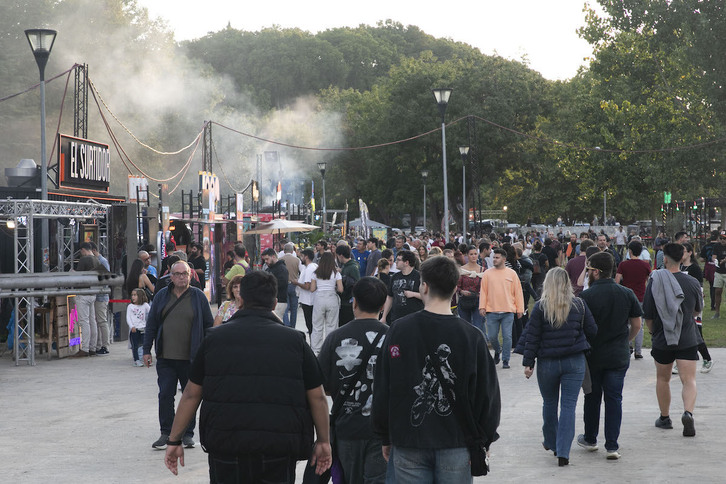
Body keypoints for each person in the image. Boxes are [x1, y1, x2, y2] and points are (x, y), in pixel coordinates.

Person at [163, 270, 332, 482]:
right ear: (274, 303)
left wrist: (174, 440)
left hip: (226, 442)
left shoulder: (214, 339)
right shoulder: (295, 341)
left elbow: (191, 394)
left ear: (240, 299)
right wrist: (323, 441)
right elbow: (317, 397)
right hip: (278, 446)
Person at [372, 256, 501, 482]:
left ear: (424, 286)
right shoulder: (472, 337)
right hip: (457, 443)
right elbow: (487, 395)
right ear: (454, 289)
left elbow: (383, 386)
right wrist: (484, 439)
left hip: (408, 442)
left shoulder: (398, 330)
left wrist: (385, 435)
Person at [521, 268, 597, 466]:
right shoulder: (579, 304)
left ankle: (551, 441)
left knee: (549, 402)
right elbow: (592, 330)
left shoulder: (540, 307)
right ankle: (563, 452)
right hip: (574, 361)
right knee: (568, 406)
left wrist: (528, 362)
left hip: (547, 363)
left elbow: (532, 337)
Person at [318, 277, 389, 484]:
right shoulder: (394, 336)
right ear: (383, 305)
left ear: (354, 302)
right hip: (382, 428)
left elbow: (323, 385)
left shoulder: (335, 337)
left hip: (347, 426)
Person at [577, 252, 642, 460]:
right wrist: (626, 340)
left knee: (592, 397)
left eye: (588, 271)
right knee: (615, 399)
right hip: (617, 355)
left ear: (596, 272)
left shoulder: (585, 297)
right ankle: (612, 445)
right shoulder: (627, 293)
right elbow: (637, 324)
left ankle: (590, 438)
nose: (588, 274)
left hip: (593, 355)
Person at [143, 261, 214, 450]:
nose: (181, 277)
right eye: (177, 274)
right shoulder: (161, 296)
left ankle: (187, 433)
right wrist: (146, 350)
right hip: (166, 357)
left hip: (191, 358)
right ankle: (166, 432)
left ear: (190, 275)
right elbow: (151, 324)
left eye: (185, 274)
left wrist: (208, 352)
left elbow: (209, 325)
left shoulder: (198, 297)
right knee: (165, 395)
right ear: (171, 276)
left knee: (190, 396)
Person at [643, 243, 702, 436]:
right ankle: (688, 413)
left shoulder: (655, 280)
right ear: (682, 258)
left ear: (665, 259)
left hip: (663, 338)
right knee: (689, 379)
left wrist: (653, 333)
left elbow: (649, 314)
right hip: (686, 337)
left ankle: (665, 417)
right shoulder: (692, 282)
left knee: (663, 378)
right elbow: (697, 310)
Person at [479, 248, 525, 369]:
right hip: (491, 311)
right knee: (492, 336)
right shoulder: (487, 273)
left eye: (497, 257)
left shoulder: (512, 273)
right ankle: (497, 351)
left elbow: (518, 292)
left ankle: (505, 360)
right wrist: (482, 306)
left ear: (504, 259)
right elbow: (483, 291)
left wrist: (520, 308)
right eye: (494, 257)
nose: (494, 259)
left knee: (507, 336)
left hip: (508, 311)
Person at [614, 240, 651, 358]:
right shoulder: (645, 265)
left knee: (625, 323)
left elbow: (617, 280)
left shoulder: (623, 265)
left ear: (629, 251)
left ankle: (628, 345)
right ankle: (638, 351)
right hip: (640, 296)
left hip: (626, 297)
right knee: (639, 325)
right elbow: (650, 280)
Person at [681, 242, 713, 373]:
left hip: (694, 305)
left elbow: (699, 289)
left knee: (696, 333)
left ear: (689, 253)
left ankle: (707, 359)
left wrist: (697, 306)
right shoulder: (679, 267)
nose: (681, 254)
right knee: (681, 333)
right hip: (681, 305)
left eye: (683, 251)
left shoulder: (694, 268)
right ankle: (681, 360)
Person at [71, 242, 102, 357]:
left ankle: (84, 348)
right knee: (92, 321)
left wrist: (73, 273)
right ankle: (92, 347)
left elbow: (79, 277)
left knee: (84, 322)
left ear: (83, 250)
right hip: (93, 292)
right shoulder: (97, 260)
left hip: (83, 293)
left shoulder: (84, 260)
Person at [310, 252, 343, 354]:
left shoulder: (315, 273)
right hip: (332, 298)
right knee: (332, 325)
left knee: (317, 326)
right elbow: (341, 289)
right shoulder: (336, 273)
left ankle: (316, 350)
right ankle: (330, 349)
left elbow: (312, 289)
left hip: (319, 299)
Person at [380, 250, 423, 323]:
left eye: (399, 260)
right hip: (396, 318)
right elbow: (390, 297)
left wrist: (413, 294)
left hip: (414, 319)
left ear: (406, 262)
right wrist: (384, 316)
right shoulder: (395, 277)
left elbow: (428, 296)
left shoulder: (419, 277)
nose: (396, 262)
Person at [457, 245, 485, 333]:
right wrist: (462, 291)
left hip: (478, 301)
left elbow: (486, 286)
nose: (473, 256)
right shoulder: (461, 270)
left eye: (475, 254)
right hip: (464, 301)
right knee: (465, 327)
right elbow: (457, 286)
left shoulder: (482, 270)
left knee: (478, 327)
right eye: (471, 254)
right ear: (467, 255)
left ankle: (477, 345)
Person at [294, 248, 318, 338]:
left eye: (302, 256)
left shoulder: (309, 269)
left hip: (308, 301)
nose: (301, 259)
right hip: (311, 300)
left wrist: (297, 283)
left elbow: (308, 286)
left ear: (306, 257)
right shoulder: (313, 266)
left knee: (310, 324)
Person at [262, 247, 289, 322]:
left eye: (267, 259)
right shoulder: (269, 269)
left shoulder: (281, 269)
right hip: (271, 300)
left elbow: (281, 283)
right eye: (264, 259)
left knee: (274, 322)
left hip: (279, 300)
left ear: (273, 256)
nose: (265, 261)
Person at [336, 244, 361, 326]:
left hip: (348, 302)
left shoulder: (352, 267)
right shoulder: (345, 266)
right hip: (344, 301)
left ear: (341, 255)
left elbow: (357, 284)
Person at [281, 242, 303, 329]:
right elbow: (302, 272)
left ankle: (287, 325)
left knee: (285, 308)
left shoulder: (280, 260)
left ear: (284, 250)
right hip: (294, 285)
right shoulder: (297, 260)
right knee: (294, 309)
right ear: (292, 250)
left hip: (284, 285)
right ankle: (293, 326)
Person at [127, 288, 150, 367]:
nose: (133, 297)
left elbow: (151, 313)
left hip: (143, 328)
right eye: (132, 295)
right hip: (134, 329)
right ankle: (136, 360)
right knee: (135, 346)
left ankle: (145, 358)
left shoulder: (145, 305)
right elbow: (128, 317)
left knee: (144, 344)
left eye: (135, 295)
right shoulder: (130, 306)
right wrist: (131, 326)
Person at [710, 233, 726, 318]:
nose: (723, 240)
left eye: (724, 238)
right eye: (721, 238)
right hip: (719, 271)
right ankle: (717, 312)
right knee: (717, 291)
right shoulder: (717, 246)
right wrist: (714, 260)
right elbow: (714, 256)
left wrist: (724, 260)